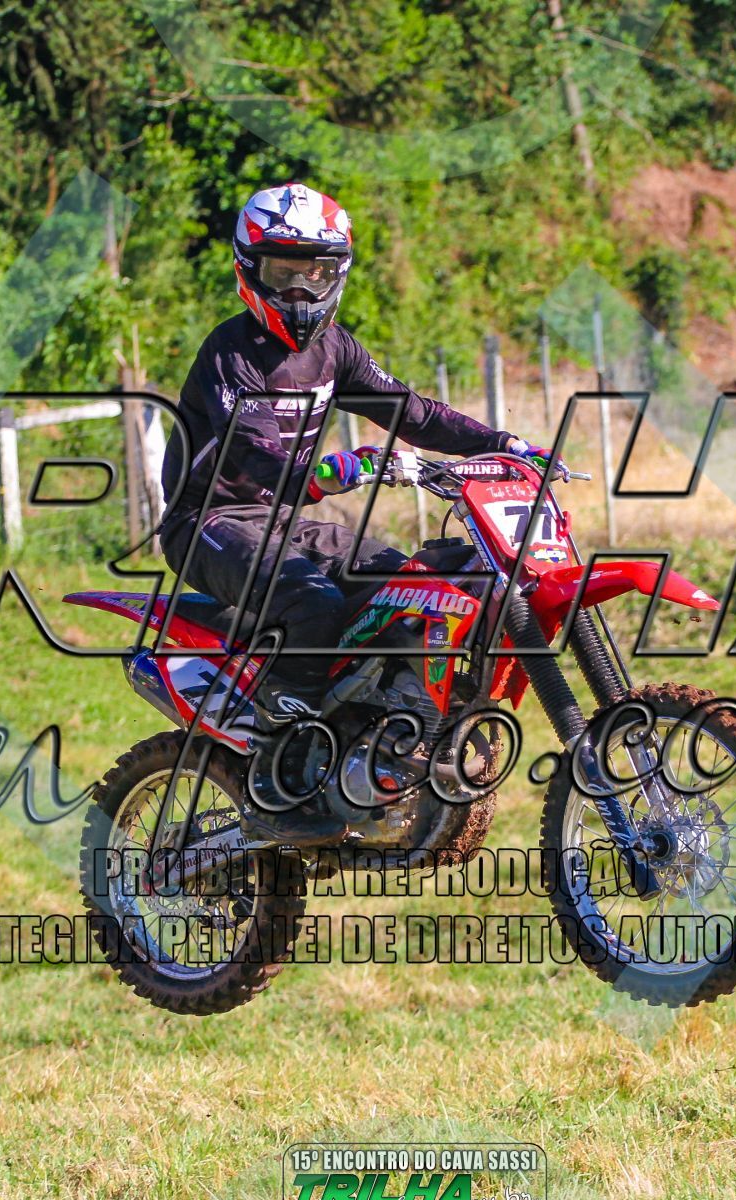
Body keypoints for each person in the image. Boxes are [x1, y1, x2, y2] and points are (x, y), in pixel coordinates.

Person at [160, 181, 549, 844]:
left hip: (283, 524)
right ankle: (279, 775)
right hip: (209, 523)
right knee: (311, 601)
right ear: (249, 270)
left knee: (403, 582)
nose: (300, 291)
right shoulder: (229, 354)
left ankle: (371, 732)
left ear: (337, 273)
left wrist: (504, 445)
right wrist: (335, 471)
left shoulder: (334, 349)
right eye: (284, 273)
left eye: (316, 273)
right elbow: (256, 456)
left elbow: (412, 411)